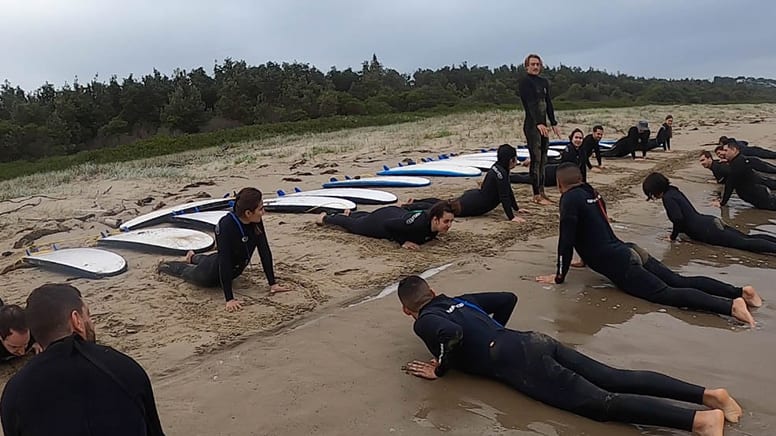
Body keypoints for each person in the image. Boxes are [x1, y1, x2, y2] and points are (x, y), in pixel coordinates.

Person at [399, 275, 742, 436]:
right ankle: (710, 395)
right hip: (532, 341)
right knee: (614, 377)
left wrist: (441, 368)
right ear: (431, 291)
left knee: (602, 403)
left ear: (406, 310)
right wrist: (491, 333)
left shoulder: (425, 320)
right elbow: (506, 297)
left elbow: (451, 335)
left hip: (520, 361)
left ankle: (699, 421)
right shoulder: (456, 298)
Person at [536, 163, 760, 327]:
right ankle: (741, 291)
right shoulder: (592, 192)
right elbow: (597, 225)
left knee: (666, 294)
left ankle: (730, 306)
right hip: (628, 249)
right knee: (678, 280)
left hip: (620, 262)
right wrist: (584, 260)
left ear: (559, 183)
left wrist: (558, 276)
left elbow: (566, 238)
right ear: (580, 178)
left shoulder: (568, 199)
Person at [0, 283, 165, 436]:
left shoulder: (15, 391)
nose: (91, 323)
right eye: (88, 315)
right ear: (76, 320)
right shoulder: (124, 368)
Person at [158, 187, 289, 312]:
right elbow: (224, 261)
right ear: (248, 213)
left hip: (232, 268)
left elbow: (264, 250)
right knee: (186, 271)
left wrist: (273, 284)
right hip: (211, 275)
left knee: (211, 258)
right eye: (260, 209)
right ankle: (163, 265)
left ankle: (192, 257)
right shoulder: (226, 225)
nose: (263, 212)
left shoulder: (256, 220)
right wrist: (229, 299)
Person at [643, 172, 776, 254]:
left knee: (744, 244)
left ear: (654, 190)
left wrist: (672, 237)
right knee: (746, 238)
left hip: (706, 231)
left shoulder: (667, 198)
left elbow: (678, 219)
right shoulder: (673, 190)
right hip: (709, 221)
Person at [405, 144, 526, 222]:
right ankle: (409, 207)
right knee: (444, 209)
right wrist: (512, 217)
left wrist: (516, 208)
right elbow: (504, 196)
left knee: (444, 203)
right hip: (473, 204)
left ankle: (415, 201)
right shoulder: (501, 174)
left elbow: (508, 191)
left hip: (474, 197)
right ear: (512, 160)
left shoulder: (497, 168)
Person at [316, 200, 455, 249]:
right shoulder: (417, 224)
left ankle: (350, 213)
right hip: (383, 221)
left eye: (451, 221)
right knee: (356, 226)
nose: (449, 225)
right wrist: (403, 242)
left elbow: (427, 206)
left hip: (396, 212)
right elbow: (390, 225)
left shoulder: (432, 219)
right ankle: (325, 218)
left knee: (365, 217)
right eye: (446, 222)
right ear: (435, 220)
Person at [519, 53, 560, 205]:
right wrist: (537, 123)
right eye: (533, 64)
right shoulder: (525, 82)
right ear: (527, 66)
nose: (536, 67)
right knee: (535, 160)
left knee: (544, 160)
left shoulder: (544, 82)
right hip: (532, 125)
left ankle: (542, 192)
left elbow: (548, 103)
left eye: (538, 64)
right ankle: (536, 195)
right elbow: (529, 104)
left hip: (543, 126)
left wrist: (553, 123)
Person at [716, 141, 776, 210]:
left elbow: (729, 186)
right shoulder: (739, 160)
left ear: (734, 150)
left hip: (759, 196)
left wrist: (721, 203)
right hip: (760, 191)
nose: (724, 153)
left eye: (726, 150)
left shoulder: (737, 165)